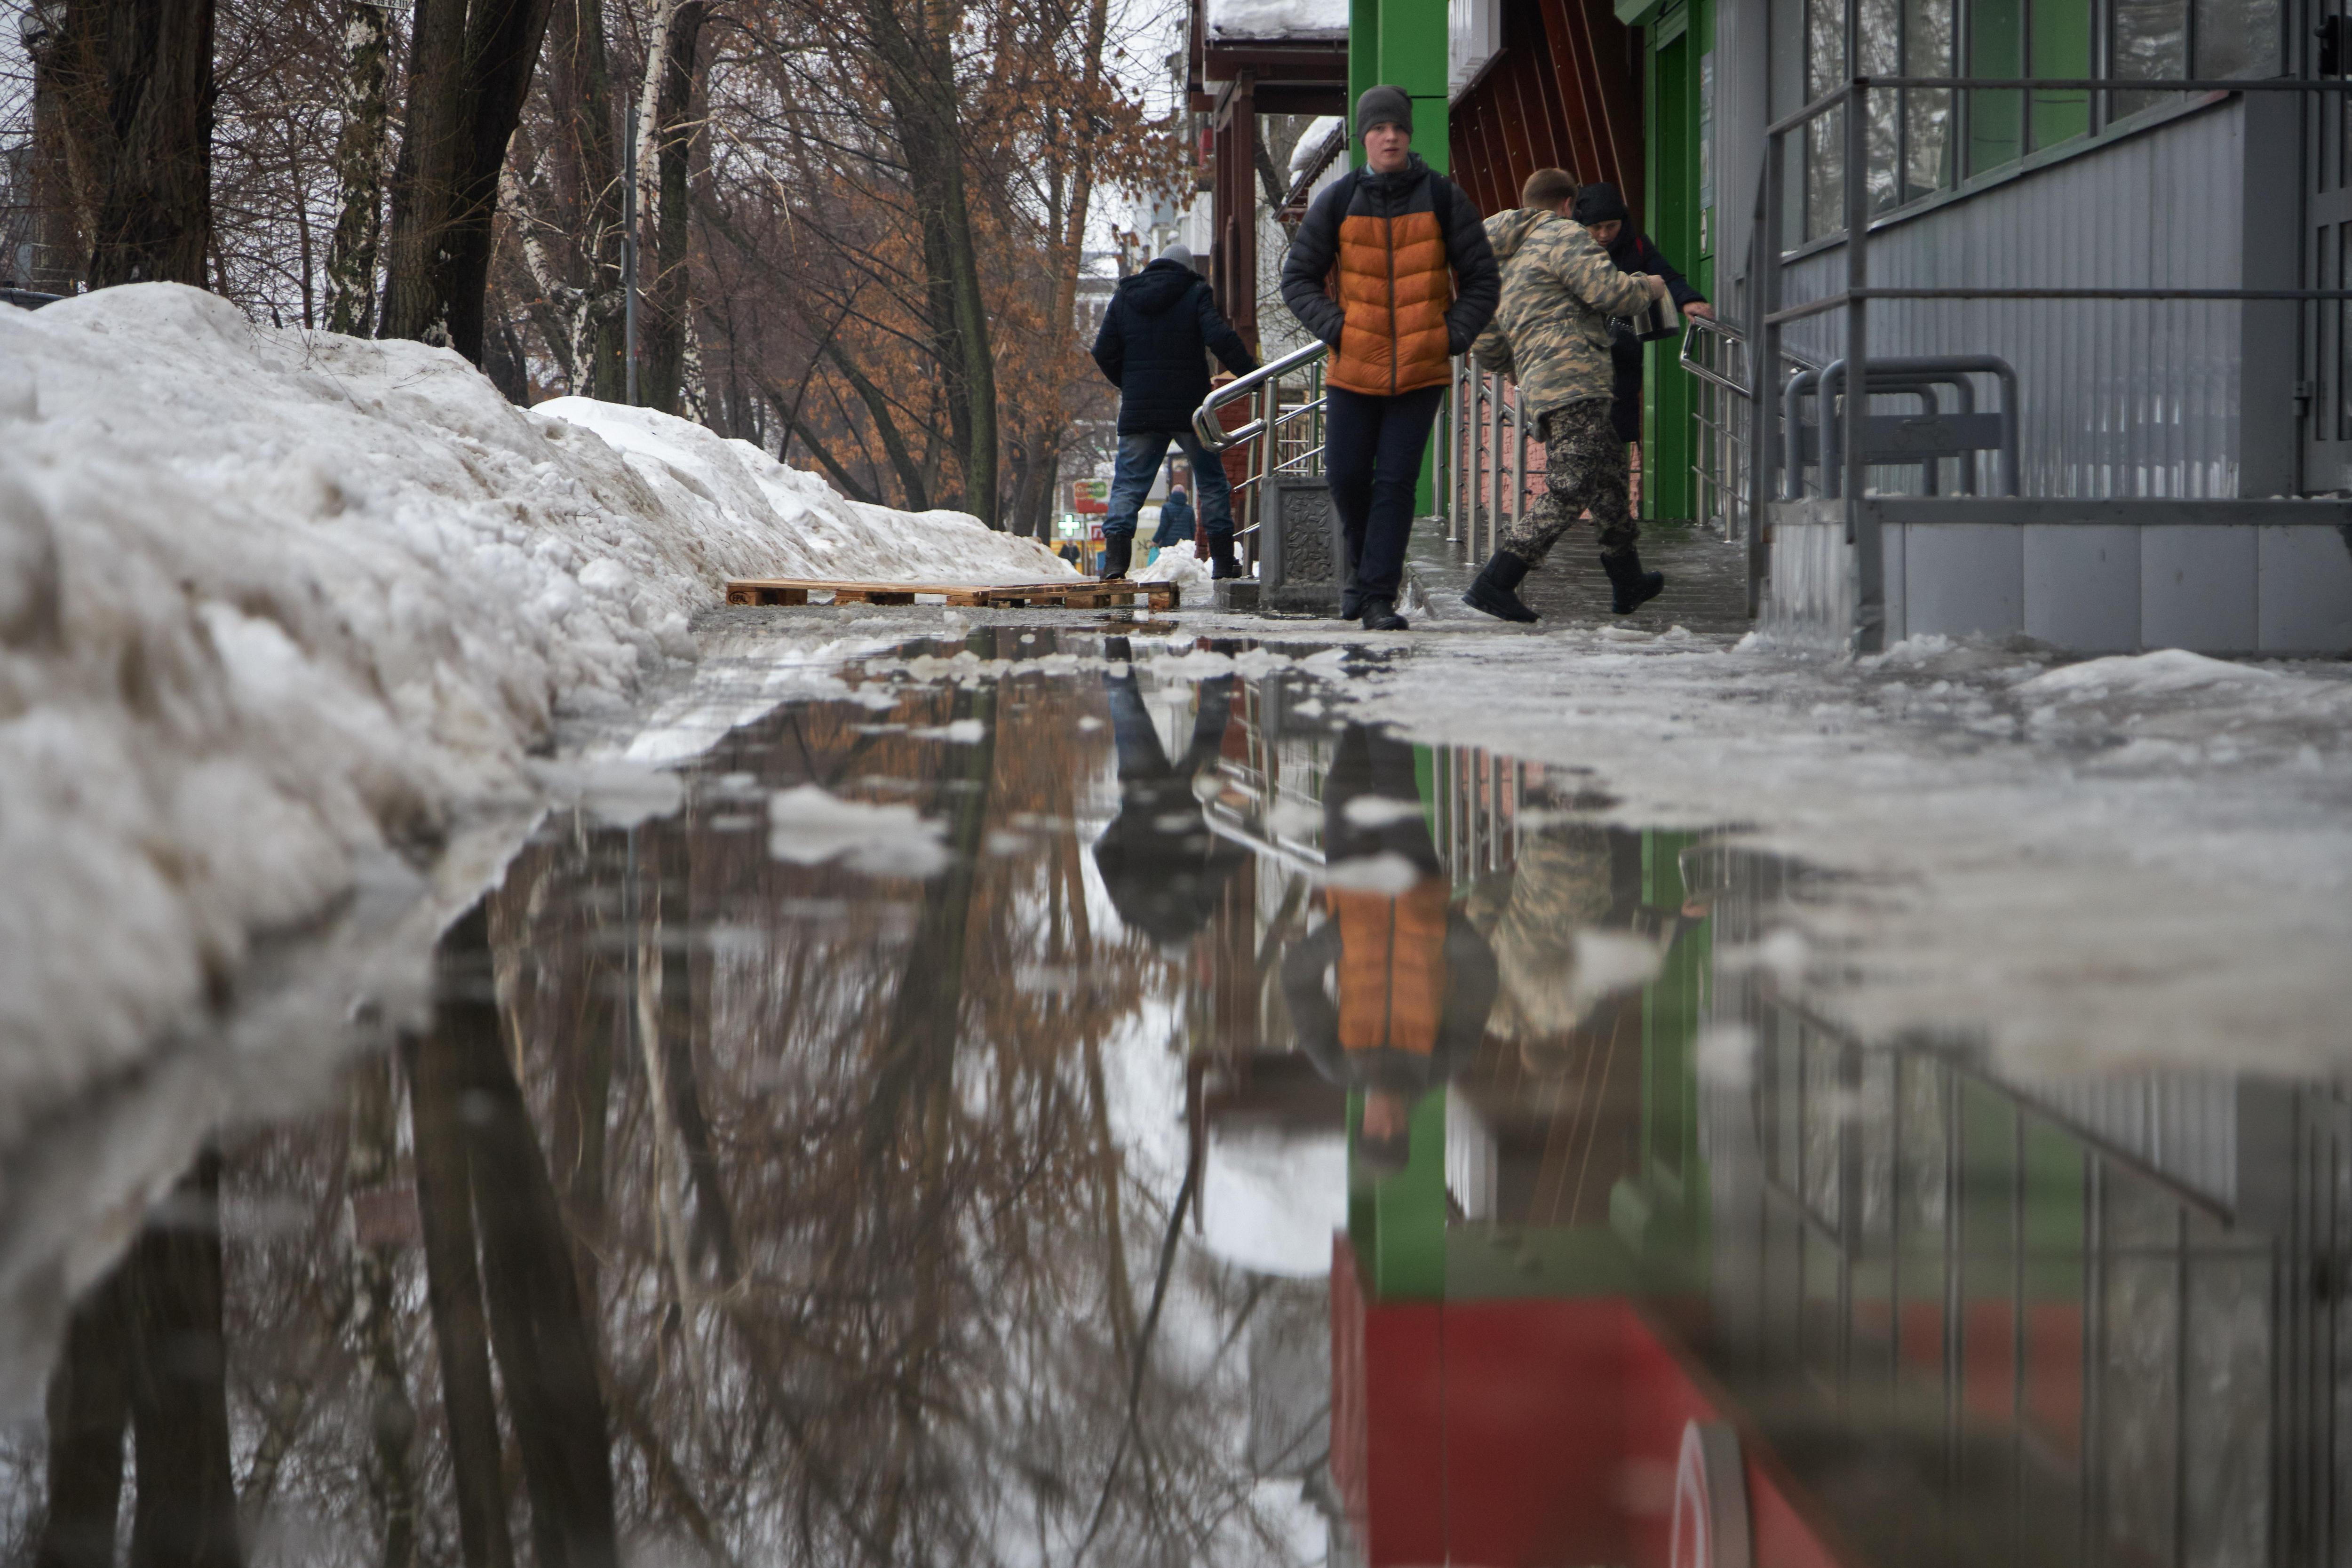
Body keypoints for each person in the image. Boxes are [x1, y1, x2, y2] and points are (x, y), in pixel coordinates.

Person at [1281, 86, 1499, 631]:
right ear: (1364, 137)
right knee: (1347, 477)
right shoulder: (1337, 200)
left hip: (1419, 372)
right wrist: (1338, 328)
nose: (1390, 137)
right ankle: (1362, 574)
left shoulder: (1444, 199)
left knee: (1396, 482)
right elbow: (1298, 279)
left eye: (1398, 128)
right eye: (1379, 129)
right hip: (1353, 367)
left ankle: (1377, 595)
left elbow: (1481, 280)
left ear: (1408, 135)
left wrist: (1450, 335)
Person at [1282, 725, 1497, 1175]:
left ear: (1363, 1123)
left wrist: (1339, 936)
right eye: (1395, 1132)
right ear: (1405, 1127)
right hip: (1413, 887)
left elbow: (1297, 982)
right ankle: (1381, 676)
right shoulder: (1441, 1063)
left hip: (1355, 889)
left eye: (1375, 1129)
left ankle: (1363, 685)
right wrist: (1441, 928)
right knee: (1395, 782)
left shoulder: (1337, 1063)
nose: (1387, 1122)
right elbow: (1481, 979)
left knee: (1343, 786)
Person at [1462, 167, 1669, 622]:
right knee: (1572, 485)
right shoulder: (1562, 234)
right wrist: (1648, 287)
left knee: (1608, 471)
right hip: (1577, 378)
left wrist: (1529, 366)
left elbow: (1486, 343)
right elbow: (1609, 292)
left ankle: (1627, 577)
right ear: (1568, 204)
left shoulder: (1496, 258)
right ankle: (1496, 581)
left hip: (1543, 384)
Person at [1090, 244, 1258, 581]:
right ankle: (1224, 563)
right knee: (1212, 482)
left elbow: (1102, 350)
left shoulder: (1125, 296)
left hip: (1141, 410)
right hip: (1190, 409)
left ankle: (1114, 566)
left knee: (1127, 487)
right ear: (1186, 268)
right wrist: (1252, 374)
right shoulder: (1194, 291)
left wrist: (1131, 385)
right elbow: (1219, 337)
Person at [1091, 643, 1249, 945]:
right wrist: (1125, 823)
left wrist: (1246, 833)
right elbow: (1102, 853)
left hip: (1187, 799)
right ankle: (1114, 637)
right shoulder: (1130, 912)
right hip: (1141, 796)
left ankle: (1224, 646)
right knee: (1126, 709)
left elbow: (1221, 867)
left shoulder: (1195, 913)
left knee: (1211, 724)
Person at [1568, 181, 1712, 446]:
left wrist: (1688, 301)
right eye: (1595, 228)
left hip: (1622, 356)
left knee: (1618, 433)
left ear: (1623, 221)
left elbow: (1665, 275)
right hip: (1580, 358)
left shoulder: (1637, 245)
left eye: (1611, 226)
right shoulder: (1570, 252)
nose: (1604, 235)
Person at [1153, 483, 1196, 551]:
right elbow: (1193, 528)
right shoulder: (1190, 509)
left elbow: (1163, 526)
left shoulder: (1166, 507)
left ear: (1172, 494)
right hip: (1186, 544)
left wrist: (1155, 540)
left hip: (1169, 543)